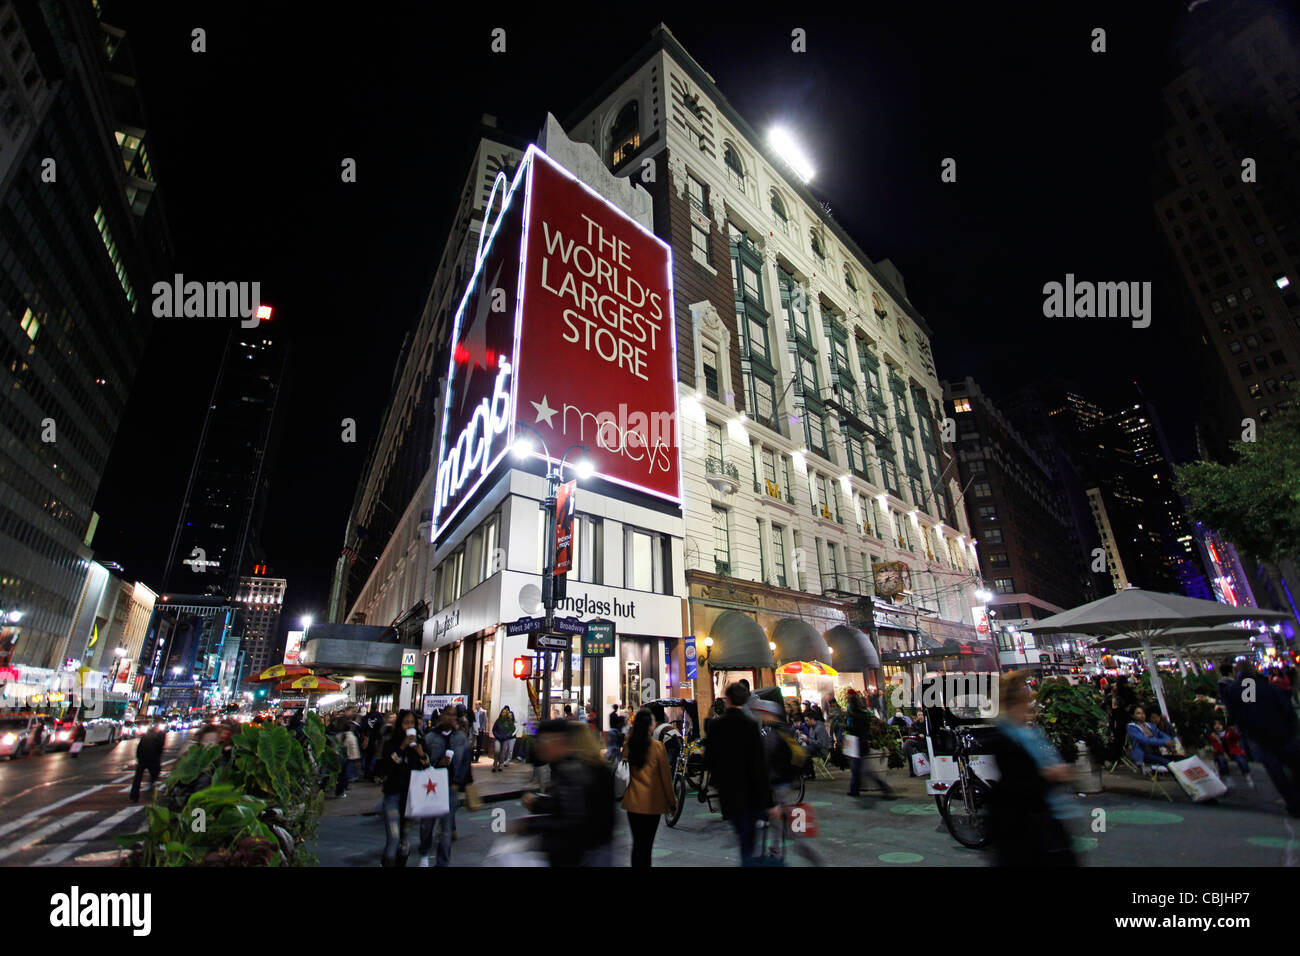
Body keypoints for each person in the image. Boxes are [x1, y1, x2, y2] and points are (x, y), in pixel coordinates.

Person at [985, 670, 1077, 867]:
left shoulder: (1026, 734)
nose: (1029, 707)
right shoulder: (1006, 739)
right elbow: (1018, 785)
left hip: (1040, 825)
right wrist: (1050, 775)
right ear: (1012, 704)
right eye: (1024, 702)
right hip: (1027, 831)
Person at [517, 719, 616, 866]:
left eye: (543, 740)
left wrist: (531, 824)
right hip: (594, 847)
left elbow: (573, 818)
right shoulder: (574, 765)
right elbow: (564, 805)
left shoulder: (574, 768)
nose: (539, 746)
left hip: (587, 852)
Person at [703, 682, 777, 866]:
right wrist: (769, 802)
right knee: (749, 844)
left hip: (728, 794)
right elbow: (759, 765)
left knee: (743, 839)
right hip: (751, 795)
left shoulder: (717, 725)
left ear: (727, 700)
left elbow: (709, 761)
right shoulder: (750, 725)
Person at [1223, 660, 1300, 817]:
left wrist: (1245, 731)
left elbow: (1233, 714)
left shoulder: (1234, 689)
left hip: (1258, 737)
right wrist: (1293, 729)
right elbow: (1286, 708)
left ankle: (1293, 804)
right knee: (1295, 766)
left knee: (1276, 772)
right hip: (1282, 733)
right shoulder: (1267, 686)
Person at [621, 708, 676, 867]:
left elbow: (623, 763)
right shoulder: (658, 747)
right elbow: (666, 778)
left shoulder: (629, 745)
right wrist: (671, 802)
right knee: (647, 846)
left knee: (637, 845)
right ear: (649, 726)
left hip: (633, 803)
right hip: (652, 803)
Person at [418, 706, 469, 867]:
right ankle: (424, 852)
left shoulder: (460, 738)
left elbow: (465, 762)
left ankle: (442, 863)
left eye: (454, 715)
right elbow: (422, 759)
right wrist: (436, 763)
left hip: (450, 787)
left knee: (446, 829)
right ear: (442, 716)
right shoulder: (431, 737)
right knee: (427, 825)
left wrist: (458, 782)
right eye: (448, 714)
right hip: (432, 785)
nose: (451, 718)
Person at [377, 709, 429, 866]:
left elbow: (427, 765)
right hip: (393, 793)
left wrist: (420, 753)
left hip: (411, 796)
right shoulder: (391, 742)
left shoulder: (420, 743)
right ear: (400, 725)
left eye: (412, 723)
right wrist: (403, 746)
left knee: (405, 839)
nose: (409, 727)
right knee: (394, 837)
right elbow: (389, 765)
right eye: (406, 723)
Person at [846, 692, 896, 799]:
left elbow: (852, 729)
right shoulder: (864, 715)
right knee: (862, 769)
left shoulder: (853, 716)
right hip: (863, 743)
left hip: (856, 745)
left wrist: (848, 728)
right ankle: (856, 789)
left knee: (861, 770)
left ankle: (857, 790)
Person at [1208, 719, 1253, 788]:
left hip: (1232, 750)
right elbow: (1217, 747)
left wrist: (1234, 732)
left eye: (1219, 724)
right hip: (1221, 752)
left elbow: (1236, 738)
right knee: (1221, 760)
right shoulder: (1213, 735)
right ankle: (1227, 777)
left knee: (1241, 759)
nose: (1217, 726)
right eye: (1215, 725)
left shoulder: (1228, 732)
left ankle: (1247, 775)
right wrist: (1224, 754)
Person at [1127, 706, 1175, 771]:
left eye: (1143, 713)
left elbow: (1161, 734)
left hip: (1157, 750)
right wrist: (1164, 742)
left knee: (1177, 758)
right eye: (1138, 713)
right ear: (1133, 716)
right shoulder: (1132, 727)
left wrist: (1168, 740)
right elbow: (1144, 740)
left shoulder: (1149, 725)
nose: (1142, 715)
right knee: (1167, 762)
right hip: (1144, 753)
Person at [130, 720, 166, 803]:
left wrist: (138, 757)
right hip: (150, 759)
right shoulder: (159, 735)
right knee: (152, 773)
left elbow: (140, 746)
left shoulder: (150, 733)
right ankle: (136, 794)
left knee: (138, 777)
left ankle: (134, 795)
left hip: (145, 758)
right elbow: (159, 747)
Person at [649, 701, 683, 773]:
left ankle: (668, 775)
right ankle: (675, 773)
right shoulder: (667, 725)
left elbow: (655, 746)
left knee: (666, 762)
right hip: (679, 739)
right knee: (676, 761)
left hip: (669, 743)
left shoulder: (657, 730)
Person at [491, 707, 515, 772]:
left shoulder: (508, 722)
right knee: (497, 750)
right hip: (498, 738)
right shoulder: (498, 721)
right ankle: (495, 763)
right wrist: (497, 735)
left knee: (503, 752)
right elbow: (493, 730)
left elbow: (512, 729)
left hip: (505, 739)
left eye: (505, 713)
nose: (503, 714)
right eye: (502, 712)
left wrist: (507, 735)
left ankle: (501, 764)